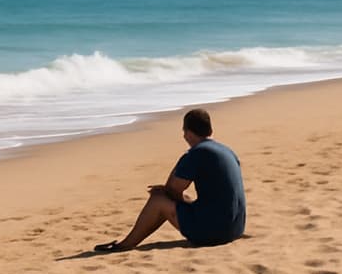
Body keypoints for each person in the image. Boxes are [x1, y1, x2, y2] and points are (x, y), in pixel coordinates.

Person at [94, 108, 246, 253]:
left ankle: (125, 245)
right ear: (210, 130)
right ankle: (130, 241)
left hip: (214, 233)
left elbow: (173, 189)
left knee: (158, 200)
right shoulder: (227, 151)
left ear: (187, 133)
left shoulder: (197, 153)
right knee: (183, 198)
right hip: (235, 228)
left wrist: (166, 190)